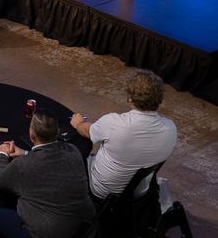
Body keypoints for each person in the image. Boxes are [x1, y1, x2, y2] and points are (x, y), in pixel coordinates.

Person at [70, 68, 177, 199]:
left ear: (129, 98)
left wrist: (78, 123)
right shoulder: (171, 129)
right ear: (160, 99)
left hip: (102, 191)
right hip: (138, 193)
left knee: (69, 156)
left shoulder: (114, 122)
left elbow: (87, 131)